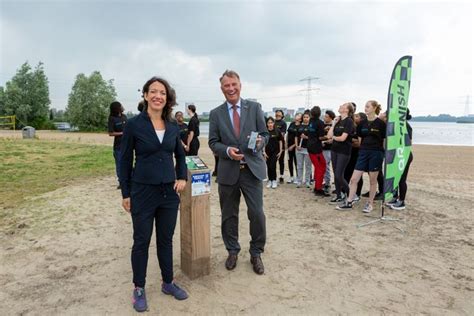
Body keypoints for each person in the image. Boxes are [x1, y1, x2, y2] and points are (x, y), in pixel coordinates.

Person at [119, 77, 188, 312]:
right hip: (142, 191)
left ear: (167, 98)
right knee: (141, 241)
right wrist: (126, 192)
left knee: (165, 240)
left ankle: (168, 283)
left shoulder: (172, 126)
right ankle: (139, 288)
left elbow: (179, 155)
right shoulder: (134, 125)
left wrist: (181, 177)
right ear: (146, 95)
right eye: (154, 92)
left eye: (163, 92)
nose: (158, 96)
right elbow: (124, 160)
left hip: (168, 193)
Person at [208, 69, 269, 275]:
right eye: (227, 85)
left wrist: (261, 142)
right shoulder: (216, 114)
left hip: (252, 171)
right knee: (228, 215)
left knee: (257, 214)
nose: (231, 88)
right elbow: (213, 142)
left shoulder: (254, 107)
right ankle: (232, 250)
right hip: (228, 172)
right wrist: (226, 151)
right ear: (222, 88)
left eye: (234, 84)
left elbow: (265, 134)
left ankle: (256, 252)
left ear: (240, 85)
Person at [337, 100, 386, 213]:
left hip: (376, 153)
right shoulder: (362, 124)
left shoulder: (381, 124)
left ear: (374, 108)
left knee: (373, 180)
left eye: (368, 106)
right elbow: (360, 140)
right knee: (354, 179)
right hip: (363, 152)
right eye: (365, 106)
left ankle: (370, 204)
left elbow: (384, 141)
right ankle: (349, 202)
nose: (365, 108)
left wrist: (382, 154)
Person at [327, 103, 355, 204]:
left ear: (347, 110)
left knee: (339, 175)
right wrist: (333, 124)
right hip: (334, 149)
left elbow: (343, 138)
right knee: (336, 174)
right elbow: (328, 135)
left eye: (343, 106)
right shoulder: (338, 120)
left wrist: (333, 137)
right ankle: (339, 195)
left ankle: (351, 195)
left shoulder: (349, 121)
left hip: (344, 151)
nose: (340, 106)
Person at [387, 109, 413, 210]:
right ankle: (394, 197)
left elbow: (409, 143)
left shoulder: (406, 126)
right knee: (395, 178)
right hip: (396, 155)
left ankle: (402, 201)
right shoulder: (395, 125)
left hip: (404, 155)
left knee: (402, 179)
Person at [344, 111, 366, 202]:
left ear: (361, 119)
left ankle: (357, 194)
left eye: (357, 116)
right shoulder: (353, 127)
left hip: (358, 155)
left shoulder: (363, 128)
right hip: (349, 153)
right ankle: (347, 192)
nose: (354, 117)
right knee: (347, 173)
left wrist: (349, 142)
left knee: (358, 176)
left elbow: (360, 144)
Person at [307, 106, 328, 196]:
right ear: (320, 114)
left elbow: (315, 131)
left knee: (319, 166)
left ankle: (317, 186)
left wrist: (323, 128)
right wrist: (329, 136)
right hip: (316, 149)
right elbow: (320, 137)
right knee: (321, 168)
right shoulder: (320, 122)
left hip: (310, 147)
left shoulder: (311, 121)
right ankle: (318, 189)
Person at [108, 101, 127, 189]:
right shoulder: (112, 118)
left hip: (127, 145)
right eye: (121, 105)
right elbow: (111, 133)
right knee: (119, 164)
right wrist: (122, 133)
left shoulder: (124, 117)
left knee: (127, 164)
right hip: (118, 146)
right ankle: (121, 182)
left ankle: (128, 181)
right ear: (117, 108)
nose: (123, 106)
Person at [264, 116, 284, 189]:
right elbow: (263, 142)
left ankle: (274, 180)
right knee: (268, 166)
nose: (270, 124)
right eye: (268, 123)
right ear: (266, 124)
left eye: (271, 122)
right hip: (267, 151)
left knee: (273, 165)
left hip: (275, 151)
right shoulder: (265, 131)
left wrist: (281, 151)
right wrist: (264, 152)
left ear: (274, 123)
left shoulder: (277, 131)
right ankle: (270, 180)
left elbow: (281, 141)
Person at [295, 111, 312, 188]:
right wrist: (296, 145)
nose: (305, 119)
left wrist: (306, 137)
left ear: (309, 118)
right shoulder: (299, 126)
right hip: (299, 148)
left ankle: (307, 181)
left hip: (308, 149)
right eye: (304, 117)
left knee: (308, 166)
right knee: (299, 165)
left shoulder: (311, 127)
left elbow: (313, 138)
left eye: (307, 117)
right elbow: (296, 137)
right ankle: (299, 181)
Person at [321, 110, 335, 194]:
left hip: (333, 149)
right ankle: (326, 183)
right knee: (325, 166)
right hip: (324, 148)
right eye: (324, 116)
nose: (324, 118)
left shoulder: (335, 124)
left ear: (330, 117)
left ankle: (335, 185)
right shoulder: (322, 125)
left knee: (334, 168)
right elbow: (320, 135)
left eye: (326, 116)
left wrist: (330, 139)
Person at [286, 113, 302, 183]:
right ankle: (291, 176)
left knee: (296, 162)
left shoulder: (301, 126)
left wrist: (293, 146)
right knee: (290, 161)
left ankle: (298, 177)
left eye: (298, 115)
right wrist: (286, 143)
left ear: (300, 118)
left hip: (296, 146)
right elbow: (288, 134)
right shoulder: (292, 124)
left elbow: (299, 138)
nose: (296, 116)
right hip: (288, 146)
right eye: (296, 115)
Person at [274, 109, 287, 183]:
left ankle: (281, 176)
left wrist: (274, 135)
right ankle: (273, 176)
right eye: (276, 113)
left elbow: (282, 134)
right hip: (272, 144)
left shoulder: (283, 123)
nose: (278, 115)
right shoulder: (273, 122)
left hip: (280, 144)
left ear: (282, 115)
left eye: (279, 114)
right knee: (272, 161)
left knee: (281, 161)